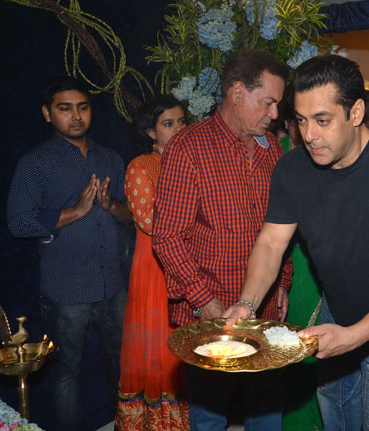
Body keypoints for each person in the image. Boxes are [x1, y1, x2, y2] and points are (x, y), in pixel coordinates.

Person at [224, 55, 369, 431]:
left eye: (322, 120)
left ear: (356, 112)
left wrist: (354, 337)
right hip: (335, 312)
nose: (309, 135)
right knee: (336, 419)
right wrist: (248, 302)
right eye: (301, 120)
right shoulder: (293, 168)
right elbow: (272, 242)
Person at [152, 50, 292, 431]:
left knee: (267, 409)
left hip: (262, 311)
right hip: (209, 315)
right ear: (237, 92)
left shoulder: (272, 150)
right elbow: (167, 237)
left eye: (277, 104)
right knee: (210, 414)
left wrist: (282, 281)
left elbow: (281, 227)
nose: (275, 114)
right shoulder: (188, 148)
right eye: (268, 102)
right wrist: (204, 301)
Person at [7, 75, 130, 431]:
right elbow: (18, 222)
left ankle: (126, 423)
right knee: (65, 373)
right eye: (65, 108)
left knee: (124, 363)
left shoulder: (110, 158)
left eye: (83, 107)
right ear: (48, 114)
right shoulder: (35, 163)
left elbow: (130, 215)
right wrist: (76, 211)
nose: (76, 116)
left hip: (113, 286)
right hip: (67, 289)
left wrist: (110, 205)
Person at [115, 95, 189, 430]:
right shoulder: (141, 166)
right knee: (160, 345)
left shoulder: (194, 162)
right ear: (150, 132)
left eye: (182, 122)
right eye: (168, 124)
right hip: (156, 268)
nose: (178, 129)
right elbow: (150, 222)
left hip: (192, 263)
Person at [277, 88, 324, 431]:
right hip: (282, 258)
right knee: (289, 347)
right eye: (297, 119)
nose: (304, 129)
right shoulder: (275, 153)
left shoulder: (325, 153)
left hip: (317, 259)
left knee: (320, 346)